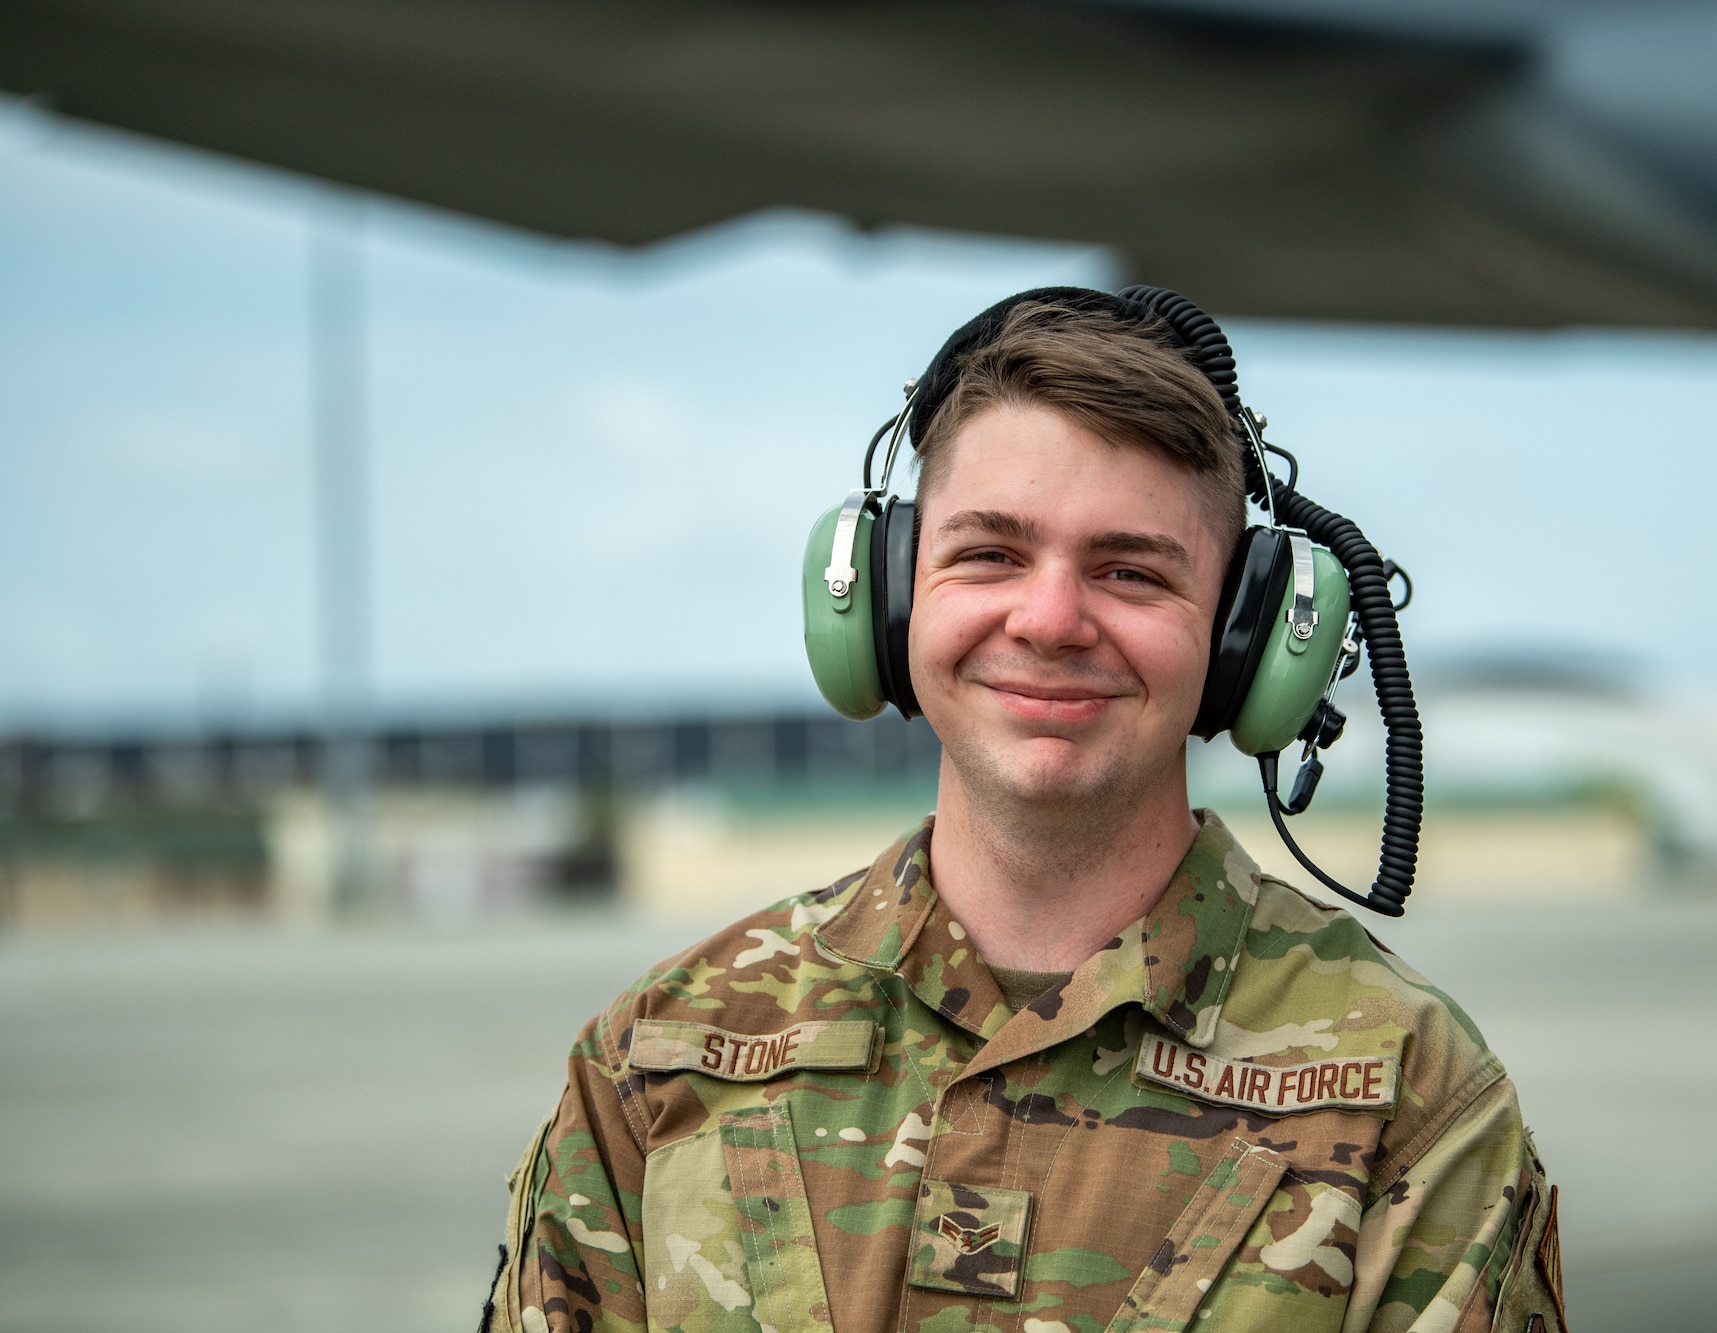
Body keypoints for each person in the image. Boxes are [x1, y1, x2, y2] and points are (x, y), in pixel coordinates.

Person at [483, 292, 1567, 1333]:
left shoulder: (1405, 1093)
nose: (1049, 619)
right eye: (990, 554)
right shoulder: (665, 1057)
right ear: (886, 595)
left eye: (1130, 571)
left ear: (1245, 642)